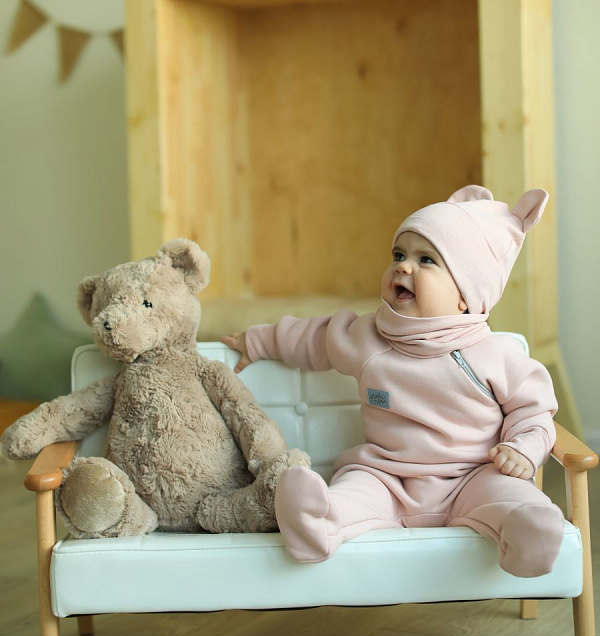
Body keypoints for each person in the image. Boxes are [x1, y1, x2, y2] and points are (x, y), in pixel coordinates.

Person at [222, 185, 564, 577]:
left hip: (472, 476)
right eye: (399, 255)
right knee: (354, 492)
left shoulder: (496, 354)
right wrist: (258, 340)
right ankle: (316, 521)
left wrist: (523, 448)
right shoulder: (369, 337)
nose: (403, 267)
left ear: (466, 296)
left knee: (509, 495)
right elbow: (314, 338)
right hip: (387, 475)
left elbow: (534, 412)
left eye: (426, 260)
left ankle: (527, 532)